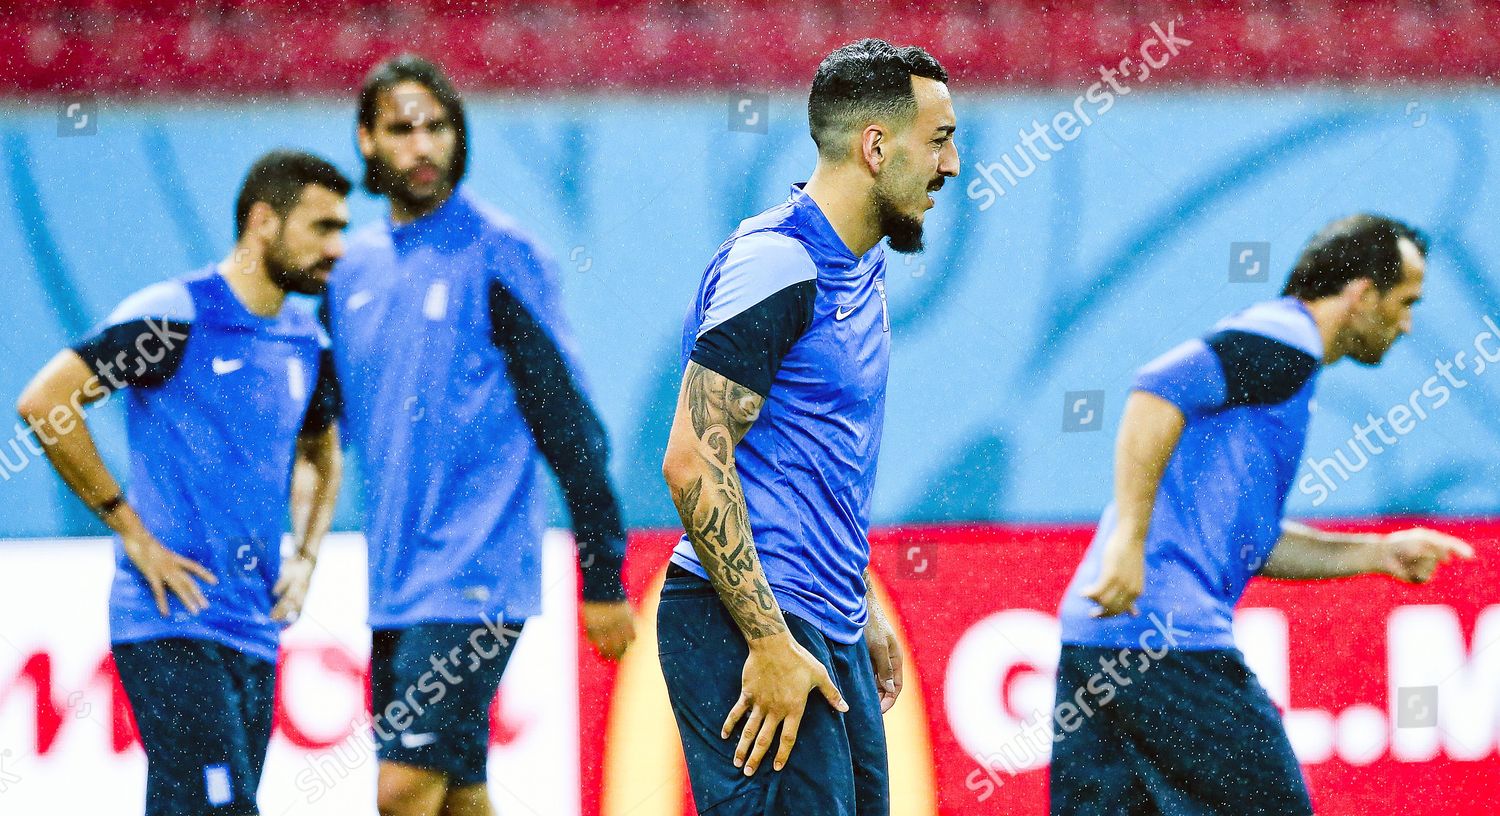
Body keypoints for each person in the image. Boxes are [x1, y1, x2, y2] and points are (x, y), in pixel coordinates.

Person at [1051, 214, 1476, 815]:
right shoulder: (1289, 343)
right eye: (1404, 302)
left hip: (1096, 638)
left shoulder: (1278, 366)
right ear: (1360, 295)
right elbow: (1156, 388)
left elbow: (1252, 544)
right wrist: (1129, 539)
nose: (1407, 324)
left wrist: (1378, 554)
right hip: (1169, 643)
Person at [325, 54, 635, 816]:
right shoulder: (349, 270)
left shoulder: (499, 254)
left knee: (403, 792)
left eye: (439, 127)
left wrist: (602, 573)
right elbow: (318, 423)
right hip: (394, 578)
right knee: (460, 793)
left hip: (476, 572)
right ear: (367, 141)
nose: (424, 146)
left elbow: (569, 424)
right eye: (402, 129)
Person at [658, 38, 958, 814]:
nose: (951, 165)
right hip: (751, 623)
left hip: (825, 619)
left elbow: (810, 455)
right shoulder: (778, 264)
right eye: (940, 140)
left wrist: (858, 601)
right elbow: (693, 462)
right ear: (876, 145)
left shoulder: (858, 263)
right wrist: (765, 641)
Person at [16, 149, 349, 816]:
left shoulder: (305, 340)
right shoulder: (174, 316)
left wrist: (308, 553)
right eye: (322, 228)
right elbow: (46, 402)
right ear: (262, 222)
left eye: (342, 229)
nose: (337, 249)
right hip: (169, 622)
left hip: (254, 628)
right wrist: (130, 530)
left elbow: (321, 450)